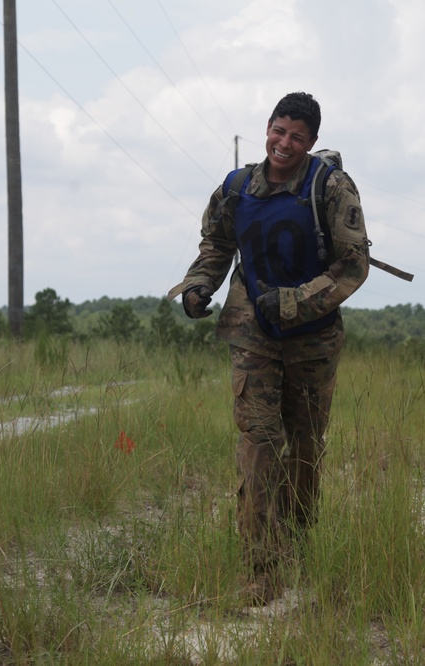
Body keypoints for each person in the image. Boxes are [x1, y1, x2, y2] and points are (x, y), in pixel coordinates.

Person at [167, 91, 369, 605]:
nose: (285, 143)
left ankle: (302, 546)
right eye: (279, 131)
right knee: (258, 445)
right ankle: (262, 569)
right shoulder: (237, 187)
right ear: (268, 128)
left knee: (304, 449)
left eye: (297, 137)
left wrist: (294, 303)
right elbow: (216, 243)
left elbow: (352, 266)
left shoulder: (332, 188)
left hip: (314, 338)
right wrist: (197, 286)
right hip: (251, 333)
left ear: (311, 142)